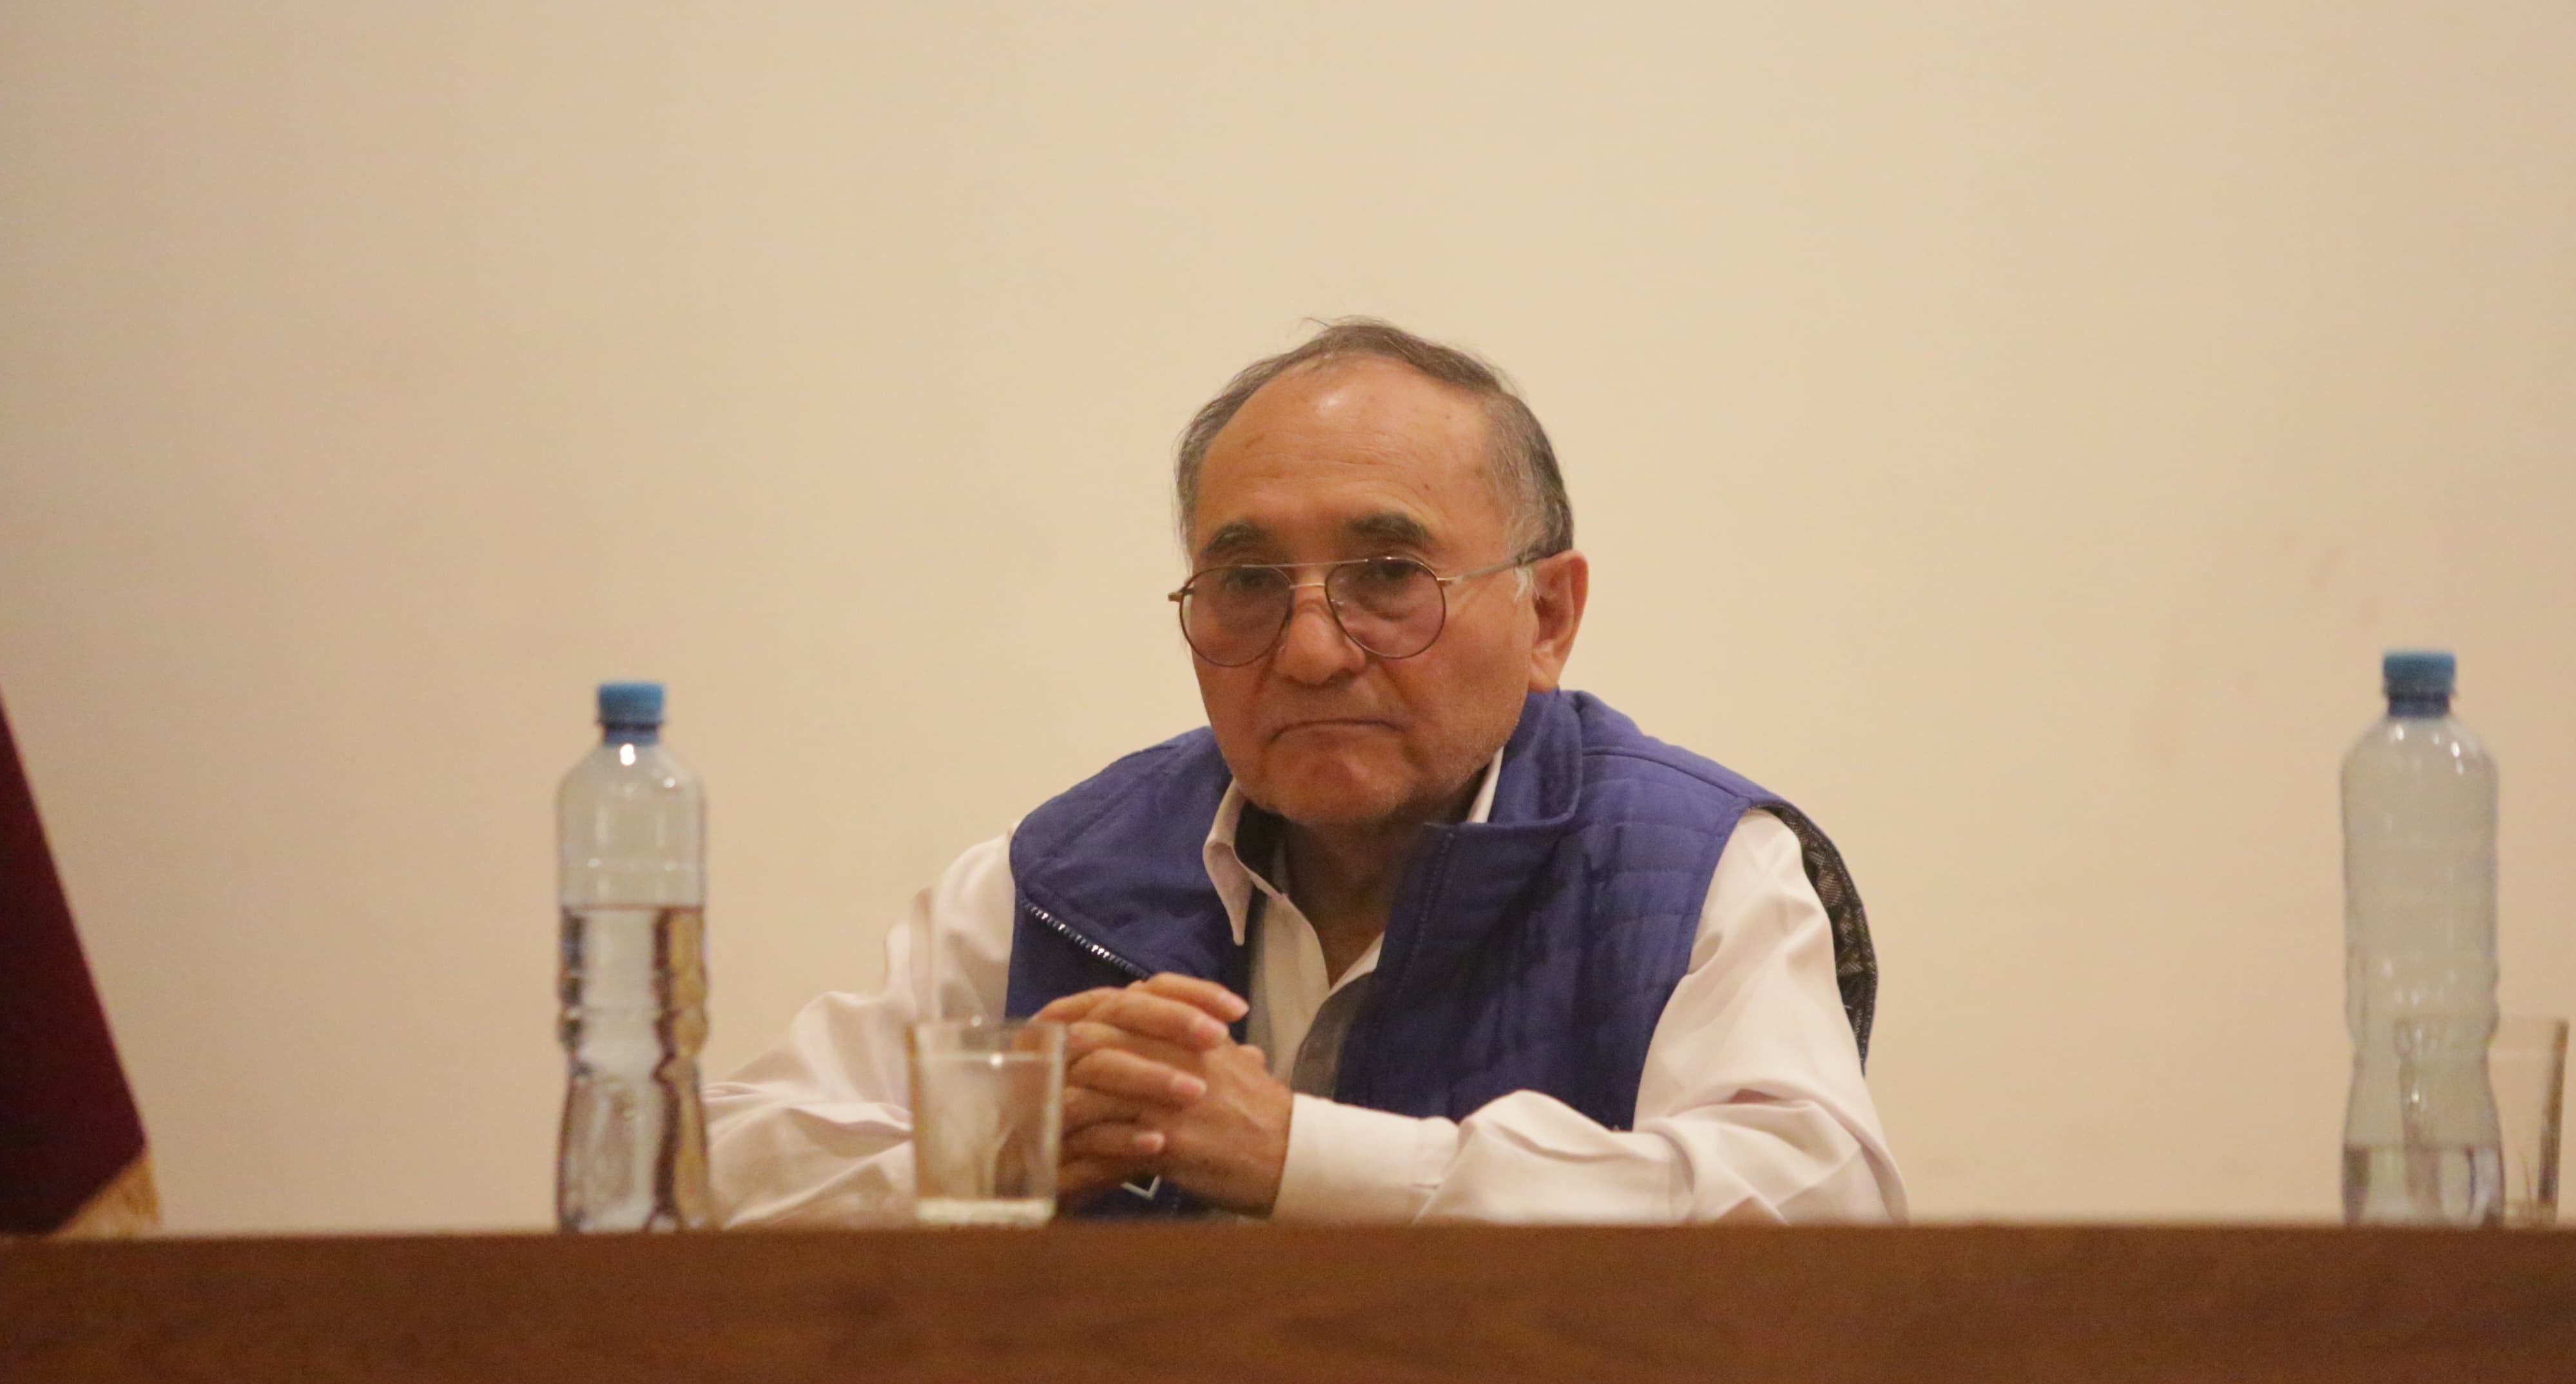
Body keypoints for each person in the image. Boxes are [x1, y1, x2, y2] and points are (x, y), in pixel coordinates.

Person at [706, 320, 1904, 1225]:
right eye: (1246, 584)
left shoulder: (1699, 868)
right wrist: (993, 1139)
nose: (1314, 650)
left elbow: (1820, 1210)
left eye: (1389, 574)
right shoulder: (1049, 879)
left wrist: (1300, 1154)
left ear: (1547, 614)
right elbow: (703, 1179)